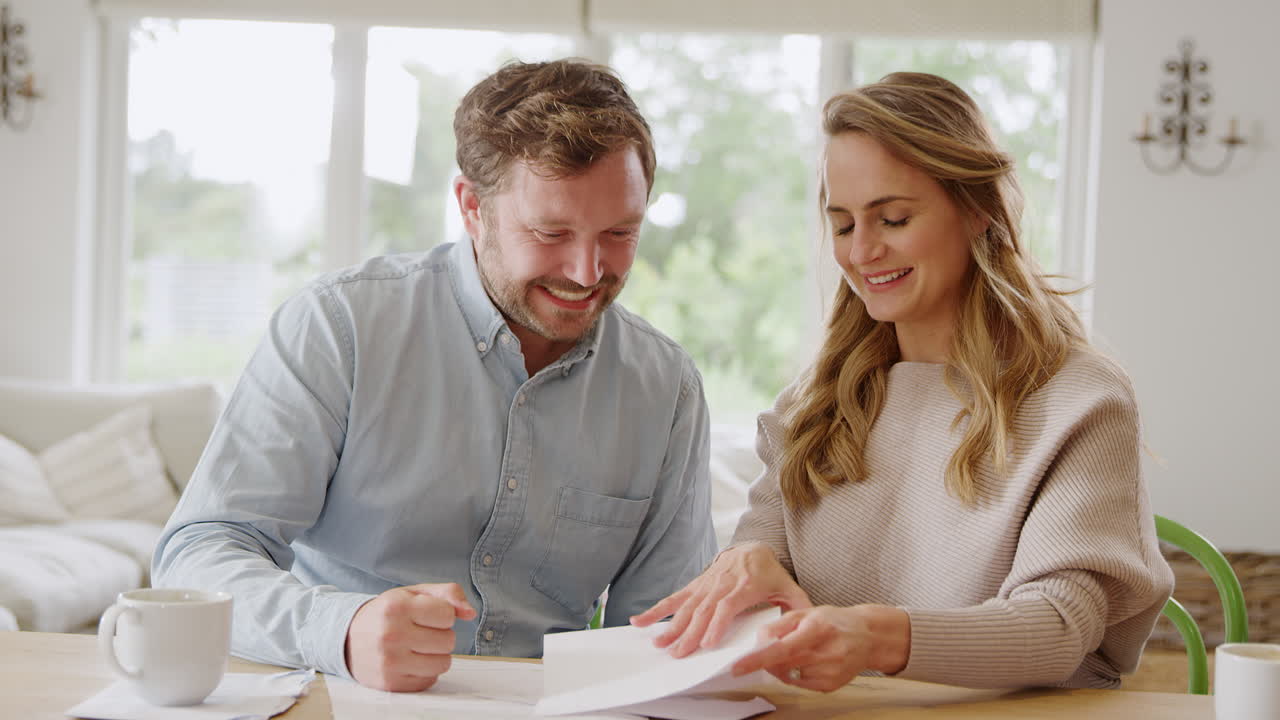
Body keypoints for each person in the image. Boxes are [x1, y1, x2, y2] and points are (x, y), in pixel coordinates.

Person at [153, 59, 717, 693]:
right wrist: (343, 627)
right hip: (341, 694)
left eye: (619, 233)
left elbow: (663, 630)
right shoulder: (342, 327)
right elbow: (199, 553)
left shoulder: (665, 387)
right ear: (472, 208)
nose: (587, 272)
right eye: (550, 232)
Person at [631, 72, 1174, 691]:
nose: (861, 252)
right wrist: (742, 565)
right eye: (842, 225)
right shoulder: (812, 407)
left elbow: (1057, 627)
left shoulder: (1079, 401)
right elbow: (767, 583)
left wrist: (874, 638)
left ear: (976, 211)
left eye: (891, 219)